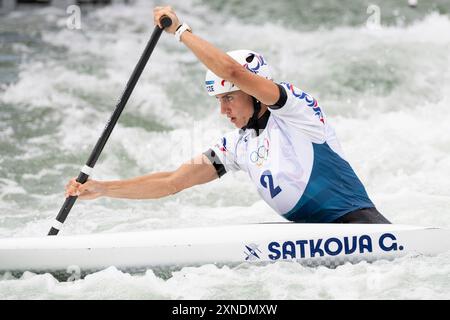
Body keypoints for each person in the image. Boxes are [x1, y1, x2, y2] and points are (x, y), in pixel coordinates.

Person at [65, 6, 391, 224]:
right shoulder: (237, 145)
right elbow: (172, 182)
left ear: (253, 92)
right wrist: (104, 188)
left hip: (361, 229)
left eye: (230, 98)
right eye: (219, 101)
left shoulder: (295, 112)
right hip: (312, 244)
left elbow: (232, 69)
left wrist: (180, 31)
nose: (223, 110)